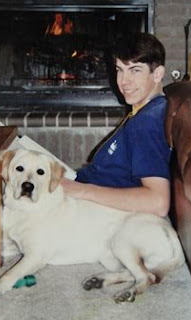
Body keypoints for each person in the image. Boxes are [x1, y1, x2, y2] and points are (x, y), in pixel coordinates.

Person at [61, 32, 171, 217]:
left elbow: (158, 202)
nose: (123, 81)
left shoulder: (146, 122)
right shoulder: (146, 110)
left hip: (87, 206)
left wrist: (81, 190)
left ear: (158, 74)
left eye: (135, 70)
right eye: (120, 69)